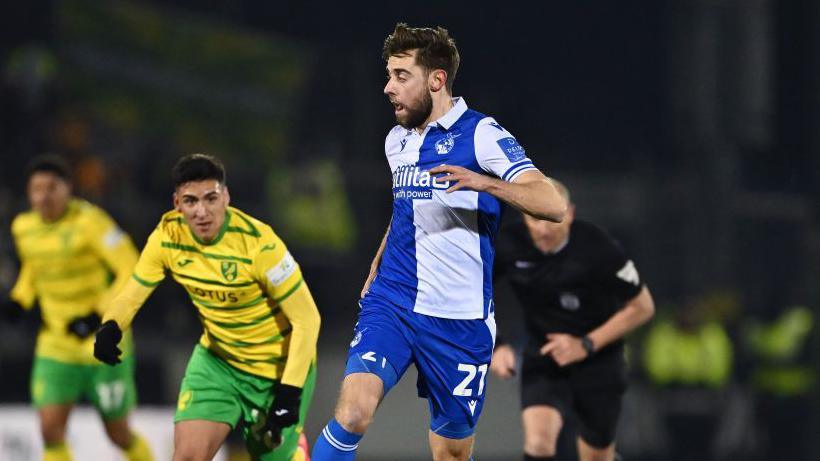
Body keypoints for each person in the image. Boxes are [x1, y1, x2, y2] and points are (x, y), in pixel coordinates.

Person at [311, 23, 567, 461]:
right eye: (388, 75)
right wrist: (378, 260)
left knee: (450, 451)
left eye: (401, 76)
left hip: (459, 320)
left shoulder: (481, 134)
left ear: (436, 79)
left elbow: (551, 202)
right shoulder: (397, 140)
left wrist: (484, 183)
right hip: (394, 300)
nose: (389, 88)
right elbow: (405, 208)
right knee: (354, 412)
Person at [93, 154, 321, 461]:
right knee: (187, 456)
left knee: (269, 454)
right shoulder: (167, 237)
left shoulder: (260, 245)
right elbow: (132, 292)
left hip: (275, 370)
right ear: (177, 203)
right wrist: (111, 326)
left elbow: (308, 319)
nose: (201, 211)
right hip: (217, 363)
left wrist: (290, 392)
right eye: (190, 201)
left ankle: (295, 451)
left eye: (210, 198)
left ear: (225, 197)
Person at [1, 155, 154, 461]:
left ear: (68, 189)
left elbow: (130, 267)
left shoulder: (91, 222)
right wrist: (20, 299)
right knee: (49, 429)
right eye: (36, 189)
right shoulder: (23, 227)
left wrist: (99, 315)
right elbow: (34, 267)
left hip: (103, 342)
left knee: (118, 434)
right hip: (56, 344)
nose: (43, 196)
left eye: (51, 188)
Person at [491, 181, 655, 461]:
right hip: (543, 355)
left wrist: (586, 344)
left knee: (595, 455)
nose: (542, 229)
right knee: (538, 444)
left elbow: (643, 307)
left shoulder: (598, 247)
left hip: (599, 358)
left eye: (551, 219)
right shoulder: (509, 244)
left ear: (569, 213)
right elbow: (473, 293)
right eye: (534, 218)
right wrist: (497, 345)